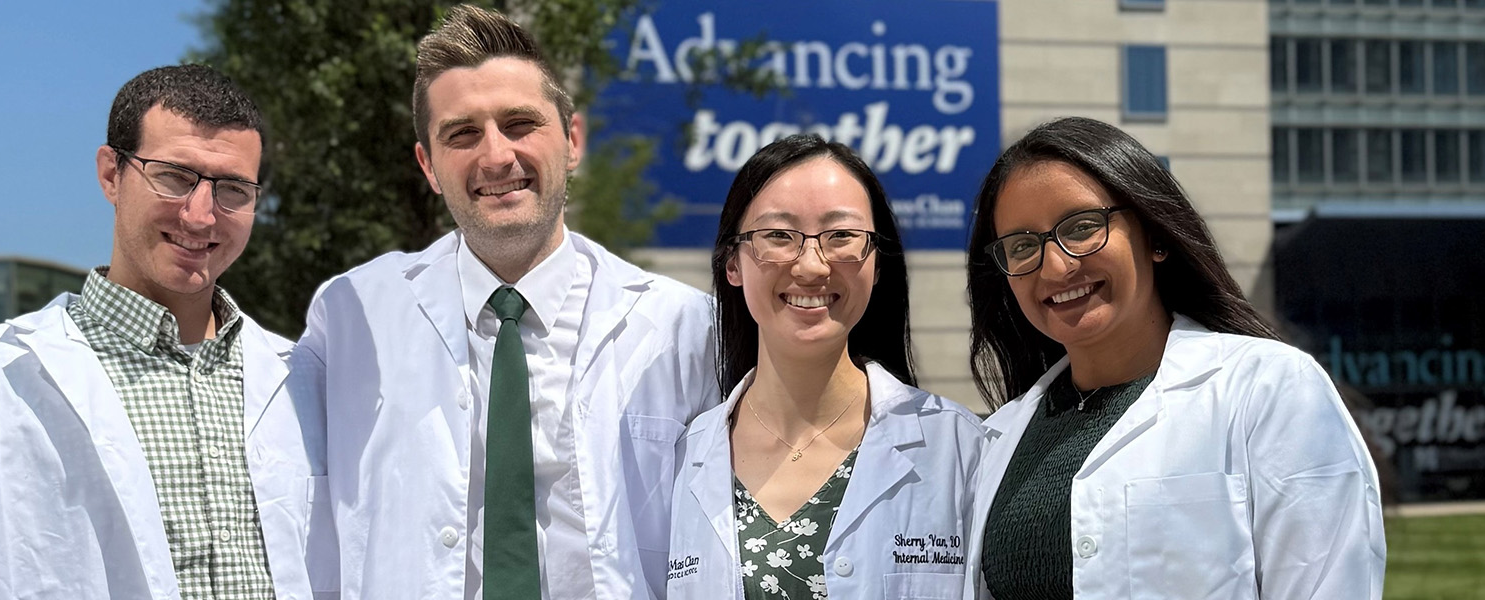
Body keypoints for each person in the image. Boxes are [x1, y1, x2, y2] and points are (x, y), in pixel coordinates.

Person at [287, 5, 718, 599]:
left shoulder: (684, 326)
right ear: (428, 166)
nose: (495, 156)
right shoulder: (349, 317)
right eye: (462, 134)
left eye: (519, 124)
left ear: (572, 141)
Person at [0, 64, 321, 599]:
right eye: (175, 177)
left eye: (233, 189)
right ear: (111, 175)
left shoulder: (306, 379)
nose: (201, 216)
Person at [963, 117, 1385, 599]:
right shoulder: (1000, 439)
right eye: (1022, 246)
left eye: (1082, 227)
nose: (1056, 266)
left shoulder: (1268, 389)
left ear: (1155, 237)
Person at [665, 135, 984, 599]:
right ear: (732, 263)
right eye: (779, 236)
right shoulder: (679, 460)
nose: (812, 267)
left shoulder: (958, 447)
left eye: (842, 237)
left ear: (877, 263)